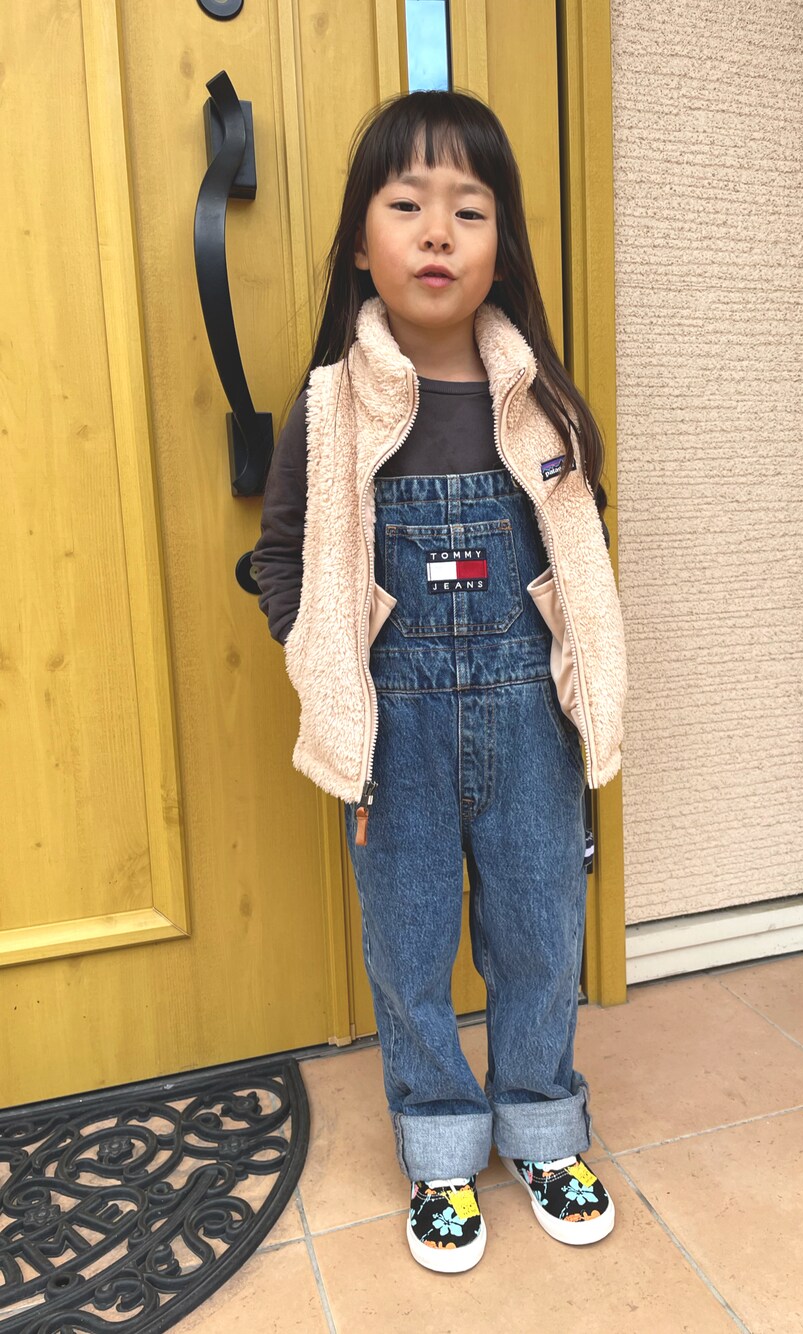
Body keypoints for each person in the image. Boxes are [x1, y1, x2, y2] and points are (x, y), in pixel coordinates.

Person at [251, 89, 627, 1274]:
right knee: (408, 949)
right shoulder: (332, 407)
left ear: (499, 248)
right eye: (406, 204)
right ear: (361, 243)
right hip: (392, 728)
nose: (436, 232)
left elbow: (580, 548)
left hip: (529, 723)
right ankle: (440, 1145)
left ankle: (543, 1124)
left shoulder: (537, 403)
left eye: (468, 209)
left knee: (539, 934)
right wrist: (322, 651)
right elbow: (280, 554)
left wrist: (577, 672)